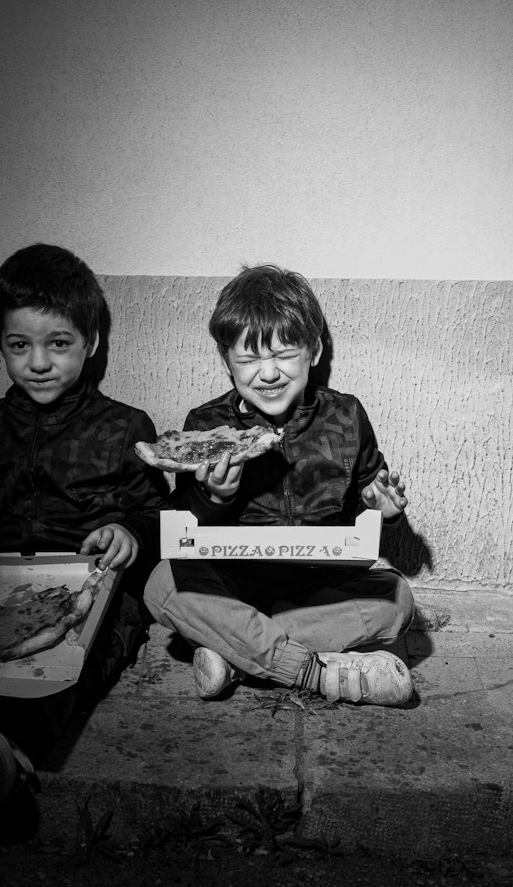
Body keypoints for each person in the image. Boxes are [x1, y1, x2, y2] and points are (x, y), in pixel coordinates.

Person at [0, 243, 169, 836]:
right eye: (19, 346)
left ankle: (7, 755)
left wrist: (128, 532)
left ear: (91, 342)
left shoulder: (125, 427)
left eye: (59, 343)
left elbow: (157, 515)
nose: (38, 362)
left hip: (95, 587)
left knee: (69, 655)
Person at [142, 263, 416, 707]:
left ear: (313, 350)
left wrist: (381, 506)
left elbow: (370, 489)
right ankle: (313, 673)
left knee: (396, 597)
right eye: (249, 359)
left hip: (320, 587)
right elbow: (182, 529)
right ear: (226, 360)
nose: (267, 374)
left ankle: (237, 653)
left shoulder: (346, 415)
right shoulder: (205, 427)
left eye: (284, 354)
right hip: (236, 583)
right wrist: (214, 496)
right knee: (161, 583)